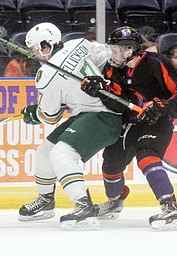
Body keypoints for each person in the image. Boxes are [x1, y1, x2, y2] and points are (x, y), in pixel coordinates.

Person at [82, 26, 177, 230]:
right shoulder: (111, 69)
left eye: (115, 49)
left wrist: (163, 106)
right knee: (111, 163)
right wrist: (100, 92)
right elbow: (117, 102)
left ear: (130, 50)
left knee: (147, 157)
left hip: (156, 122)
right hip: (130, 124)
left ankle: (171, 208)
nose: (111, 53)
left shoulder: (158, 63)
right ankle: (115, 202)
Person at [18, 22, 124, 230]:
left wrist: (33, 113)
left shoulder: (46, 74)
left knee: (61, 154)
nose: (34, 55)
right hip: (97, 111)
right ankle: (46, 199)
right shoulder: (80, 43)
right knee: (46, 150)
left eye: (34, 50)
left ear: (45, 46)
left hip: (103, 117)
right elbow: (107, 60)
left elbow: (49, 116)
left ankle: (83, 206)